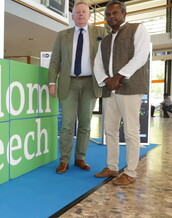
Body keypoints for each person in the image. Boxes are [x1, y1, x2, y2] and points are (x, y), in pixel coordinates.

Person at [93, 0, 151, 185]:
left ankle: (131, 172)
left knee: (131, 131)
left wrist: (118, 77)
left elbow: (141, 55)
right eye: (108, 14)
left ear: (124, 14)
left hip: (130, 87)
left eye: (115, 13)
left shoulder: (137, 29)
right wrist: (105, 81)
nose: (111, 17)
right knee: (110, 130)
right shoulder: (106, 39)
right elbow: (97, 64)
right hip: (110, 90)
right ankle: (112, 166)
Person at [48, 1, 107, 174]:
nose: (81, 14)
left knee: (85, 124)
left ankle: (80, 158)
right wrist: (52, 82)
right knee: (67, 124)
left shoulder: (101, 32)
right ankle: (64, 160)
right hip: (68, 83)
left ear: (89, 15)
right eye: (77, 12)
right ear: (72, 16)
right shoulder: (62, 35)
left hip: (91, 83)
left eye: (84, 12)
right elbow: (55, 60)